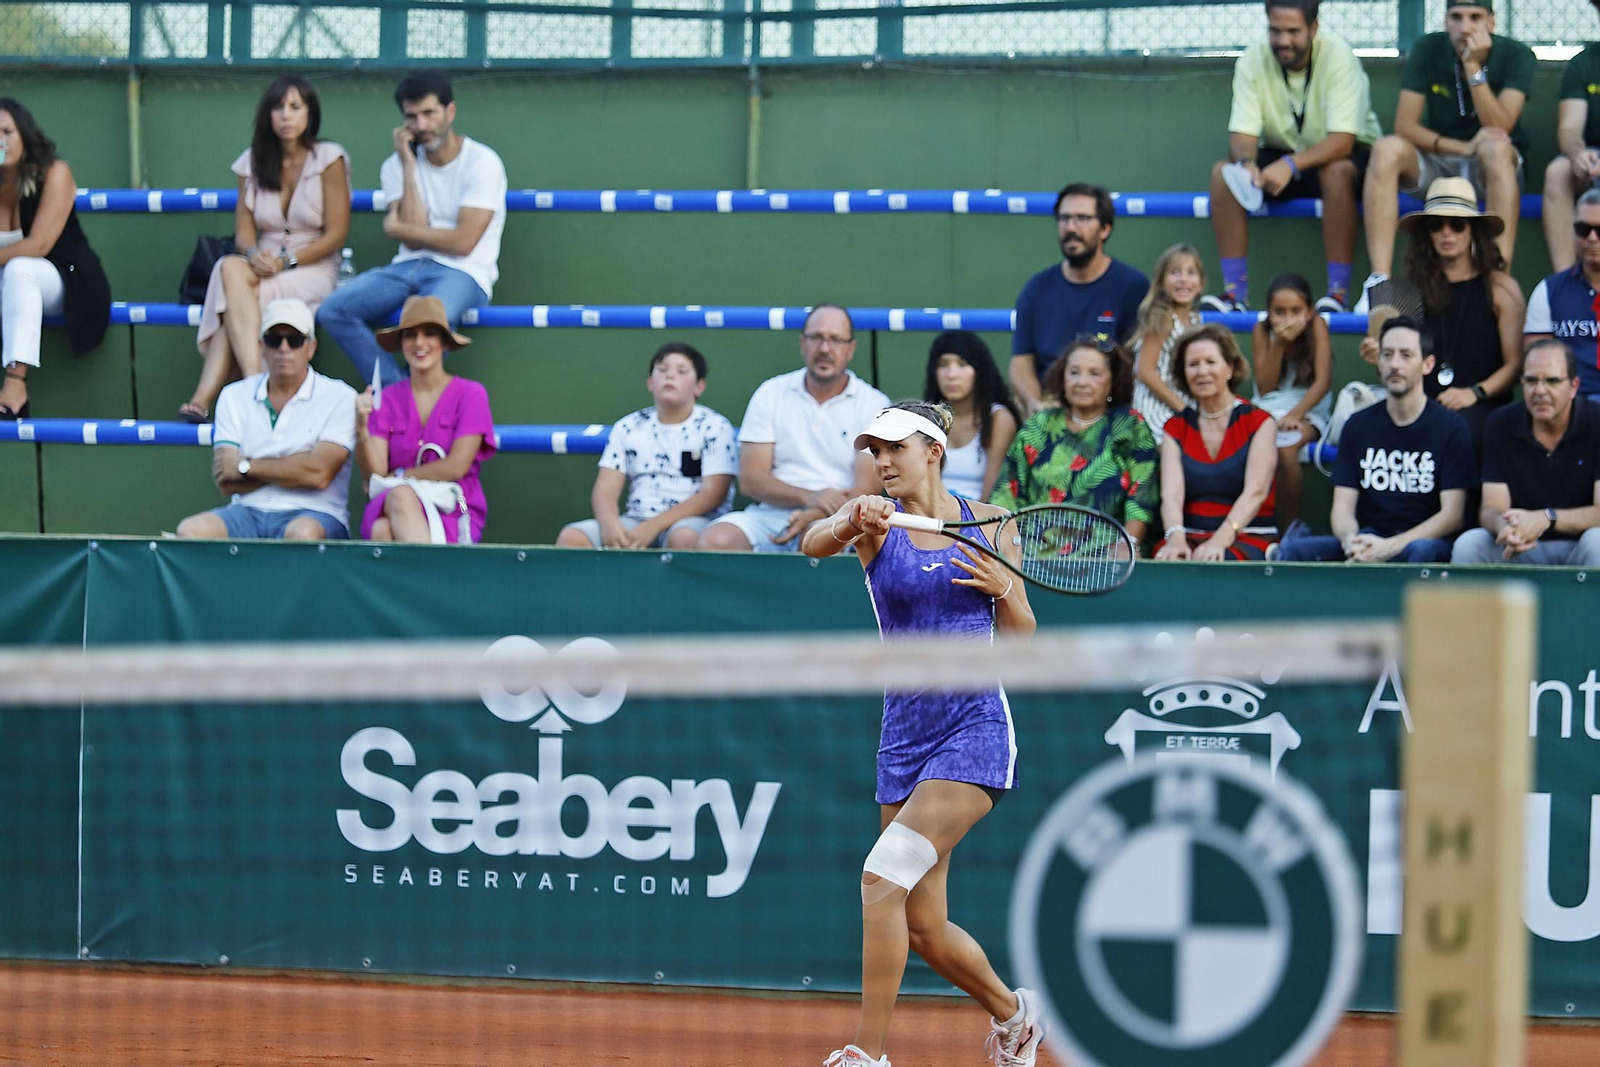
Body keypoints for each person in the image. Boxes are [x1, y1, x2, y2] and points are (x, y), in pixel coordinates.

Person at [801, 400, 1041, 1067]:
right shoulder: (877, 525)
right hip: (903, 736)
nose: (882, 461)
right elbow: (812, 543)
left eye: (895, 448)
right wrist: (848, 517)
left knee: (881, 876)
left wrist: (1007, 591)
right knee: (925, 925)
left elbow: (1023, 640)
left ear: (933, 451)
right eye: (874, 451)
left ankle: (867, 1054)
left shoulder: (992, 523)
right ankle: (1015, 1017)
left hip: (975, 728)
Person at [316, 69, 506, 386]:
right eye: (412, 117)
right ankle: (399, 395)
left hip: (464, 272)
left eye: (429, 114)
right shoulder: (395, 165)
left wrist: (399, 228)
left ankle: (405, 403)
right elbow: (415, 236)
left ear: (450, 112)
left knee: (431, 320)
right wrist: (408, 164)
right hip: (406, 267)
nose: (421, 126)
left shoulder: (482, 162)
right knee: (334, 310)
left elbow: (464, 243)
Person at [181, 77, 351, 424]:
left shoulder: (329, 158)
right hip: (264, 263)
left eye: (295, 107)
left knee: (236, 303)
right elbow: (244, 234)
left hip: (312, 265)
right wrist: (254, 254)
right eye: (278, 107)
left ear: (310, 113)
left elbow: (336, 235)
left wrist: (287, 261)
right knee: (229, 268)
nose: (286, 116)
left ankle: (215, 395)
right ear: (267, 115)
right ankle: (255, 381)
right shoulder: (252, 162)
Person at [1204, 0, 1381, 314]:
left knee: (1336, 171)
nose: (1283, 40)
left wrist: (1290, 165)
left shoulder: (1339, 55)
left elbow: (1342, 141)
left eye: (1293, 31)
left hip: (1343, 155)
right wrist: (1247, 165)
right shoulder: (1253, 59)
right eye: (1275, 31)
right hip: (1283, 154)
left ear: (1314, 28)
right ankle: (1236, 297)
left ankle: (1337, 297)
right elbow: (1242, 134)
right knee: (1223, 174)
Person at [1361, 0, 1533, 285]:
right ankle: (1379, 280)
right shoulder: (1428, 48)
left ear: (1491, 22)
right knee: (1386, 148)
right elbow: (1405, 125)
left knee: (1496, 149)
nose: (1465, 28)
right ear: (1445, 21)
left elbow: (1499, 126)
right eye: (1456, 17)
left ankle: (1496, 281)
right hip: (1439, 159)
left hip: (1490, 165)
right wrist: (1464, 148)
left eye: (1475, 17)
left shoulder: (1517, 54)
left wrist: (1472, 67)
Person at [1278, 317, 1474, 563]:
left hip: (1423, 543)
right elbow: (1342, 509)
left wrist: (1390, 547)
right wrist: (1351, 541)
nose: (1394, 364)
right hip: (1369, 538)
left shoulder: (1451, 428)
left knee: (1420, 552)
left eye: (1406, 355)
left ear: (1427, 364)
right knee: (1296, 551)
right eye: (1387, 355)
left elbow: (1452, 516)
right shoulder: (1358, 425)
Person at [698, 305, 888, 552]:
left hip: (838, 515)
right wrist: (809, 497)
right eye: (816, 337)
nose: (824, 349)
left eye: (835, 340)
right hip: (769, 514)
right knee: (714, 540)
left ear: (851, 348)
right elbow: (751, 479)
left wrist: (815, 512)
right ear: (802, 343)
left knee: (816, 540)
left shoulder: (873, 403)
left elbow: (866, 490)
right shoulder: (771, 392)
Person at [175, 298, 357, 541]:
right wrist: (298, 465)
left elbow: (319, 474)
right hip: (246, 510)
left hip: (316, 512)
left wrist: (246, 466)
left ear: (311, 347)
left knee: (302, 533)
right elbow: (226, 480)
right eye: (274, 340)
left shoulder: (341, 396)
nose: (284, 348)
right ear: (261, 347)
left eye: (294, 340)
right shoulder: (233, 395)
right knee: (190, 530)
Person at [1390, 177, 1524, 458]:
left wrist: (1474, 393)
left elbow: (1515, 364)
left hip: (1483, 405)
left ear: (1473, 230)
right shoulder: (1409, 290)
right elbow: (1402, 355)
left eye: (1457, 224)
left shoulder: (1501, 289)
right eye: (1436, 225)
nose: (1446, 233)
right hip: (1422, 403)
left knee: (1459, 432)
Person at [557, 341, 737, 549]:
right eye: (662, 370)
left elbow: (713, 493)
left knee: (683, 538)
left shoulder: (715, 427)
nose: (670, 376)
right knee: (572, 537)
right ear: (650, 382)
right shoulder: (628, 426)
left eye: (682, 371)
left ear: (699, 386)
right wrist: (609, 525)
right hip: (636, 520)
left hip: (692, 521)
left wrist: (654, 526)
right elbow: (606, 487)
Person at [0, 97, 110, 419]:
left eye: (7, 132)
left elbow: (39, 246)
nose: (0, 141)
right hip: (9, 284)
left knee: (20, 269)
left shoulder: (55, 172)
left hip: (66, 279)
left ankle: (15, 385)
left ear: (25, 134)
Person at [354, 295, 494, 543]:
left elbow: (457, 466)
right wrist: (362, 428)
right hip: (396, 503)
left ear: (444, 342)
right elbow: (375, 473)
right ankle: (430, 567)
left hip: (452, 507)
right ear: (401, 343)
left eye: (430, 333)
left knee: (385, 524)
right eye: (410, 335)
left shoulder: (471, 394)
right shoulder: (387, 398)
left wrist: (400, 476)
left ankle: (428, 567)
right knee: (388, 515)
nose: (419, 343)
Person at [991, 337, 1158, 545]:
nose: (1082, 382)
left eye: (1094, 374)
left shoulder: (1129, 426)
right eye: (1074, 373)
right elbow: (1006, 492)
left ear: (1113, 381)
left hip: (1104, 552)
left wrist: (1128, 544)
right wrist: (1005, 544)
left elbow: (1142, 494)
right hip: (1032, 550)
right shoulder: (1040, 425)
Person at [1452, 339, 1600, 566]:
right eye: (1531, 381)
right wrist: (1503, 526)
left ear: (1574, 386)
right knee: (1471, 544)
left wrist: (1547, 518)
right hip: (1519, 546)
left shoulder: (1596, 421)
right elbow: (1491, 508)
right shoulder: (1500, 423)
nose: (1540, 391)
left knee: (1598, 541)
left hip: (1579, 545)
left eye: (1552, 381)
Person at [1010, 182, 1148, 417]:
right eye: (1064, 219)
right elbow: (1021, 362)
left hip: (1110, 413)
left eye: (1082, 219)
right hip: (1050, 408)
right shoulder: (1037, 288)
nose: (1071, 227)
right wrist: (1035, 404)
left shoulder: (1133, 287)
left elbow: (1137, 367)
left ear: (1105, 229)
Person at [1153, 324, 1279, 561]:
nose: (1202, 372)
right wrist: (1176, 538)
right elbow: (1172, 495)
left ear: (1230, 367)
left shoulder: (1259, 422)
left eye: (1211, 362)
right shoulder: (1175, 427)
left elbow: (1256, 491)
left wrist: (1220, 540)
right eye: (1193, 364)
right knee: (1168, 559)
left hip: (1248, 534)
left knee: (1221, 561)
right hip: (1189, 534)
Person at [1250, 273, 1332, 531]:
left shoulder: (1317, 326)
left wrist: (1296, 414)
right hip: (1268, 408)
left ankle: (1291, 528)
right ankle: (1257, 525)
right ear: (1269, 313)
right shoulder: (1261, 330)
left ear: (1309, 312)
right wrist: (1278, 344)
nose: (1288, 319)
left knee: (1286, 450)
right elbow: (1265, 388)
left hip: (1308, 410)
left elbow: (1322, 382)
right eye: (1279, 312)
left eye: (1296, 311)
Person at [922, 331, 1019, 501]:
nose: (951, 375)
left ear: (980, 371)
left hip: (978, 515)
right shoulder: (926, 418)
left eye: (962, 364)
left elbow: (992, 499)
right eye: (943, 365)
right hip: (928, 513)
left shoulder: (999, 419)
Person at [1524, 188, 1600, 399]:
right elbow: (1537, 363)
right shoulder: (1549, 290)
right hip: (1570, 403)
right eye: (1583, 229)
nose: (1592, 238)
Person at [1543, 12, 1600, 274]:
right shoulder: (1585, 63)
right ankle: (1567, 282)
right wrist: (1578, 154)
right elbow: (1569, 129)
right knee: (1559, 170)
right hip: (1595, 158)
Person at [1131, 243, 1205, 443]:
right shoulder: (1162, 318)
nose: (1183, 279)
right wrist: (1183, 409)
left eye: (1191, 272)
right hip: (1156, 406)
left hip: (1185, 403)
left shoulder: (1196, 320)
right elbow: (1145, 371)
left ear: (1201, 283)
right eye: (1175, 272)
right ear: (1162, 282)